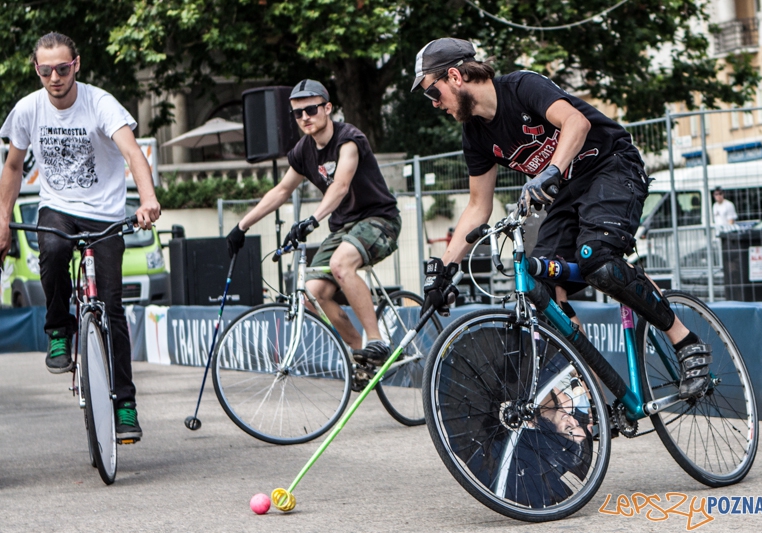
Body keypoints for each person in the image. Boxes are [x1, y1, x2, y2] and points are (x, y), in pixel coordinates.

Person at [411, 38, 711, 400]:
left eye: (432, 92)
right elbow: (478, 205)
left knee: (597, 259)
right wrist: (444, 271)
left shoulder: (521, 87)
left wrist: (551, 170)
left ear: (455, 76)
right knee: (541, 279)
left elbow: (576, 122)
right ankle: (598, 395)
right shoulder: (475, 135)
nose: (435, 103)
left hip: (610, 165)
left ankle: (687, 342)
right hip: (567, 192)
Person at [0, 32, 160, 441]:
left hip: (104, 213)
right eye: (46, 69)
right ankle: (59, 329)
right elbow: (14, 167)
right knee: (50, 247)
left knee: (112, 307)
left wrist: (147, 199)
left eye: (63, 68)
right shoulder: (28, 109)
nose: (55, 77)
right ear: (37, 70)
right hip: (58, 208)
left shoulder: (101, 103)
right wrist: (2, 218)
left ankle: (125, 404)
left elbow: (132, 153)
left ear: (77, 66)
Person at [226, 79, 401, 365]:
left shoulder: (349, 139)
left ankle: (377, 340)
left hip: (380, 219)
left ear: (328, 108)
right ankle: (360, 353)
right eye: (298, 113)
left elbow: (341, 185)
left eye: (311, 109)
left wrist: (313, 219)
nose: (305, 117)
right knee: (311, 293)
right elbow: (281, 191)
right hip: (344, 227)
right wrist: (242, 226)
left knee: (341, 263)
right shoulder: (302, 151)